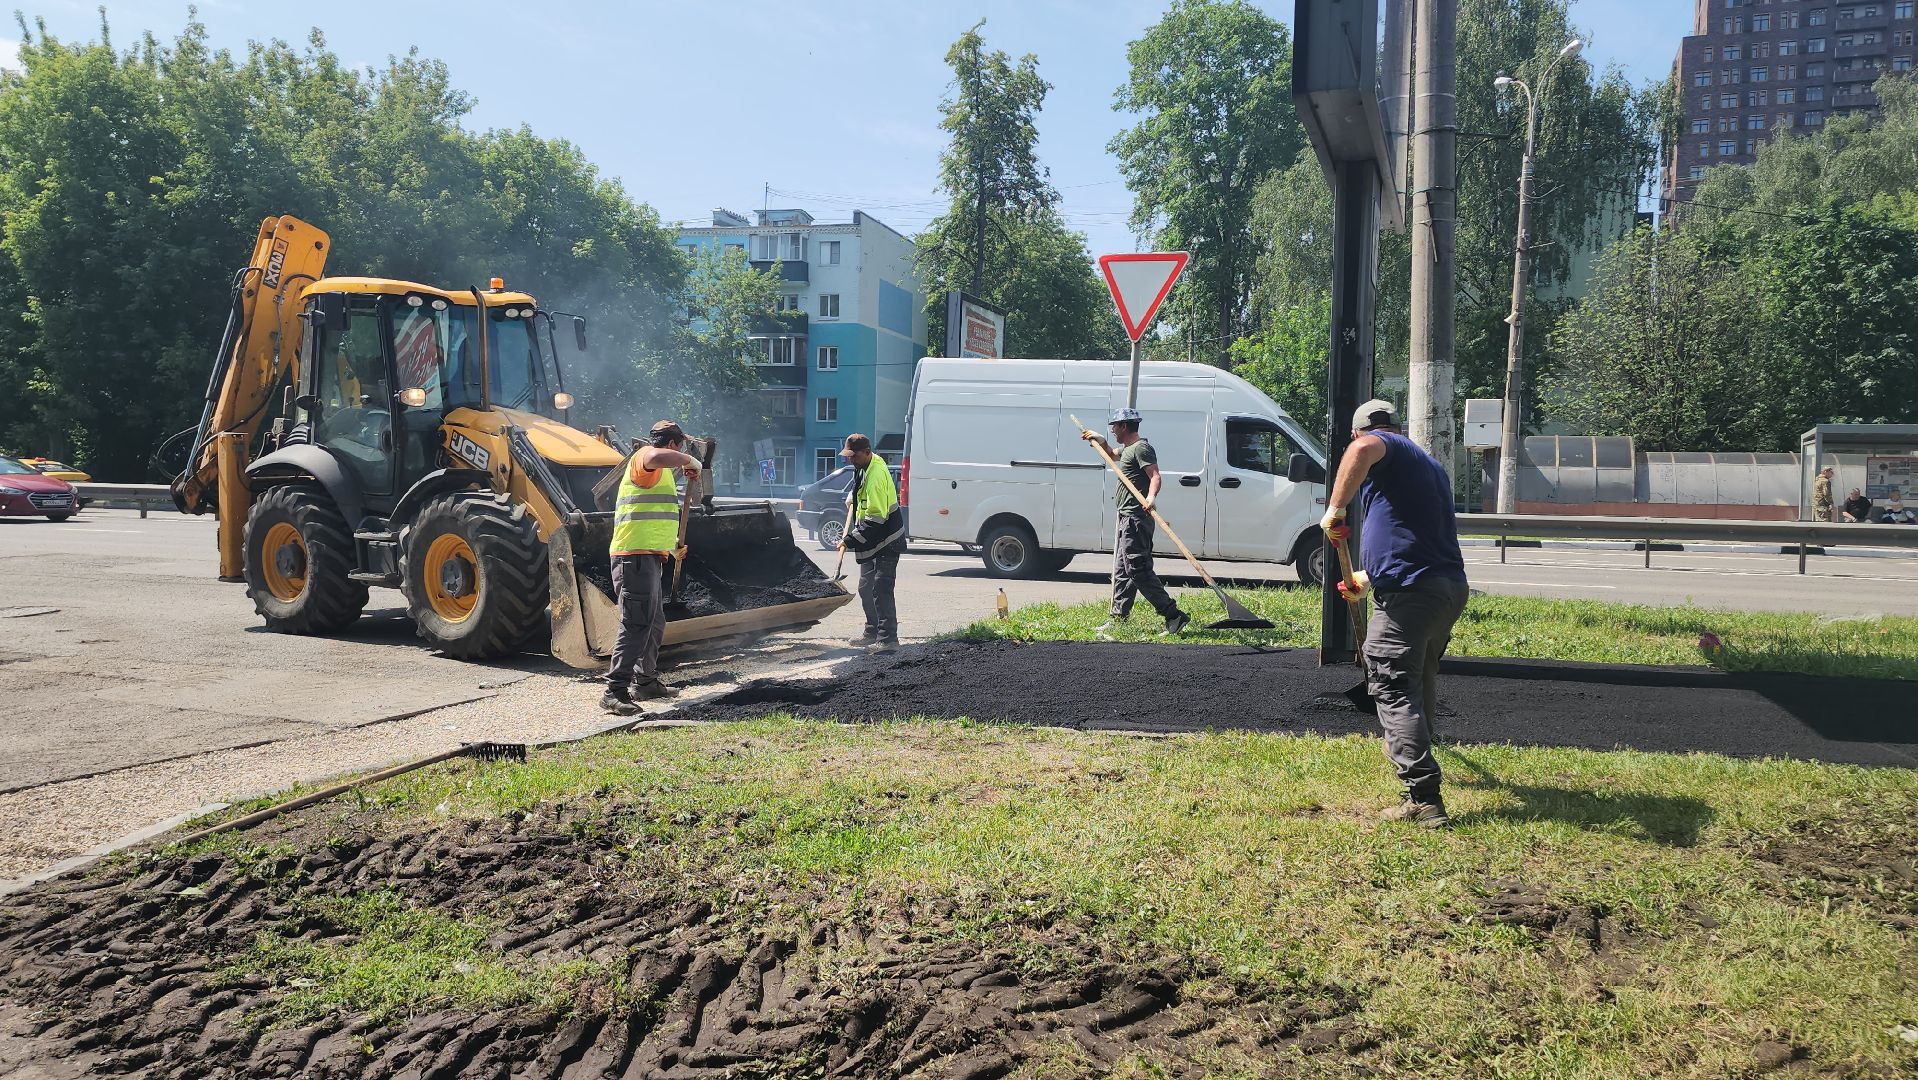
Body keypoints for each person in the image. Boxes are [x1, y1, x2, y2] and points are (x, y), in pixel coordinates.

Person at [1322, 398, 1469, 829]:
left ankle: (1423, 797)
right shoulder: (1427, 467)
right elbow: (1412, 539)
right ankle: (1417, 745)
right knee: (1419, 678)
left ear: (1359, 433)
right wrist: (1365, 581)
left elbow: (1364, 449)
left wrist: (1335, 509)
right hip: (1441, 589)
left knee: (1389, 682)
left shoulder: (1377, 445)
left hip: (1412, 592)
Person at [601, 420, 700, 716]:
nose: (680, 453)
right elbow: (656, 457)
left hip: (650, 556)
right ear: (672, 444)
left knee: (654, 622)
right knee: (635, 623)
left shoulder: (661, 476)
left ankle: (645, 682)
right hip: (632, 558)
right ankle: (614, 691)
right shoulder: (645, 456)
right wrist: (689, 460)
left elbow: (654, 519)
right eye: (679, 447)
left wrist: (671, 547)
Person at [1081, 408, 1190, 640]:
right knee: (1122, 570)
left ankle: (1173, 615)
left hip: (1136, 519)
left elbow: (1155, 476)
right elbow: (1112, 454)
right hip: (1126, 517)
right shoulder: (1129, 449)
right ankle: (1118, 617)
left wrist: (1150, 498)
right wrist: (1098, 440)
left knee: (1137, 570)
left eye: (1114, 426)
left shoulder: (1142, 448)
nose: (1112, 430)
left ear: (1124, 426)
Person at [839, 433, 904, 652]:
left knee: (881, 588)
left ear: (867, 452)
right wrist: (854, 496)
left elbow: (876, 519)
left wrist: (848, 540)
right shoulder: (863, 466)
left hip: (887, 540)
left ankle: (888, 640)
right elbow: (859, 486)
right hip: (872, 540)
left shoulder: (877, 475)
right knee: (866, 587)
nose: (850, 460)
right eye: (848, 456)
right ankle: (872, 632)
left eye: (853, 456)